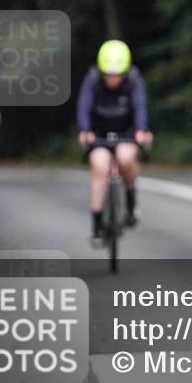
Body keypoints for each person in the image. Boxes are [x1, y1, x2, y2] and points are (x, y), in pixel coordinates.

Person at [76, 39, 153, 238]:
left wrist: (140, 131)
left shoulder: (133, 80)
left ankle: (130, 198)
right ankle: (97, 220)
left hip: (126, 132)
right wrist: (85, 130)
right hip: (99, 133)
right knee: (99, 166)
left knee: (126, 159)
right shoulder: (93, 79)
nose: (112, 79)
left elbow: (140, 107)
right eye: (108, 74)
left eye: (117, 75)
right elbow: (84, 106)